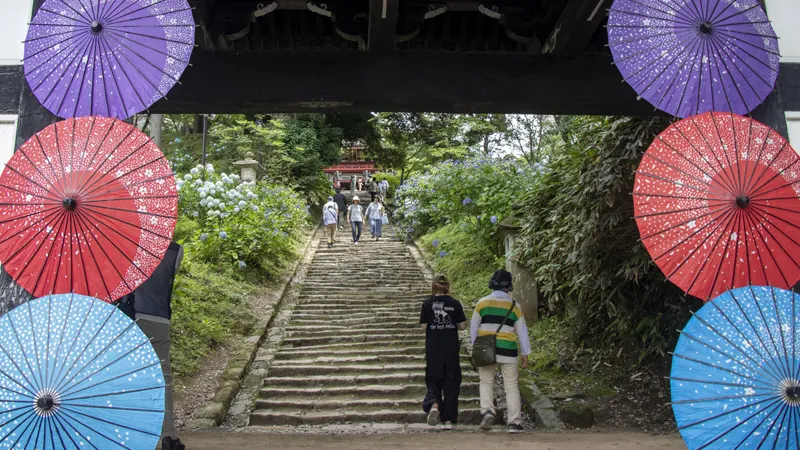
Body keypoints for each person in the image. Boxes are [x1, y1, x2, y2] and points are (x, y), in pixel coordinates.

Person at [128, 242, 186, 450]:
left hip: (124, 319)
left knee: (126, 377)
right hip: (157, 317)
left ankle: (131, 433)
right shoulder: (172, 251)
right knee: (163, 379)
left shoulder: (118, 247)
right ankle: (168, 436)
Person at [470, 269, 531, 434]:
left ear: (492, 284)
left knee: (486, 381)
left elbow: (474, 328)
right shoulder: (514, 305)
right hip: (508, 350)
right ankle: (514, 423)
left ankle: (488, 412)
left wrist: (476, 347)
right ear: (508, 286)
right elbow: (522, 331)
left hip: (485, 349)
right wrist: (525, 353)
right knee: (511, 386)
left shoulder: (482, 303)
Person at [420, 275, 466, 430]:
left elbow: (424, 327)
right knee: (451, 383)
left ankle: (434, 404)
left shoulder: (427, 303)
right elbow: (462, 326)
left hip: (433, 350)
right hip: (451, 349)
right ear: (447, 287)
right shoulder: (455, 303)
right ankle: (448, 420)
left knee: (433, 379)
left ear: (433, 286)